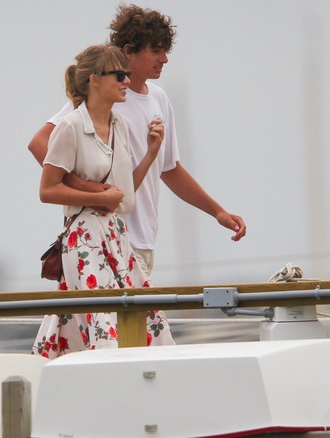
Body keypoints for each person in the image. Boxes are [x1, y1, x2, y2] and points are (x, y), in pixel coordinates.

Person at [28, 4, 247, 277]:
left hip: (143, 238)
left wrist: (217, 212)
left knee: (120, 319)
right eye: (155, 50)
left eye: (165, 50)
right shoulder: (105, 97)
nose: (164, 59)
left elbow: (170, 170)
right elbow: (40, 143)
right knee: (135, 319)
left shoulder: (158, 98)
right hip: (105, 236)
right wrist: (88, 190)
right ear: (129, 51)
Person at [32, 44, 175, 359]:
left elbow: (124, 194)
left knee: (147, 320)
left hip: (116, 235)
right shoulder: (71, 126)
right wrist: (96, 195)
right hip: (84, 236)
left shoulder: (118, 125)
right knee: (104, 325)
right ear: (95, 80)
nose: (126, 80)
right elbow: (48, 190)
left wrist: (152, 153)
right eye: (119, 75)